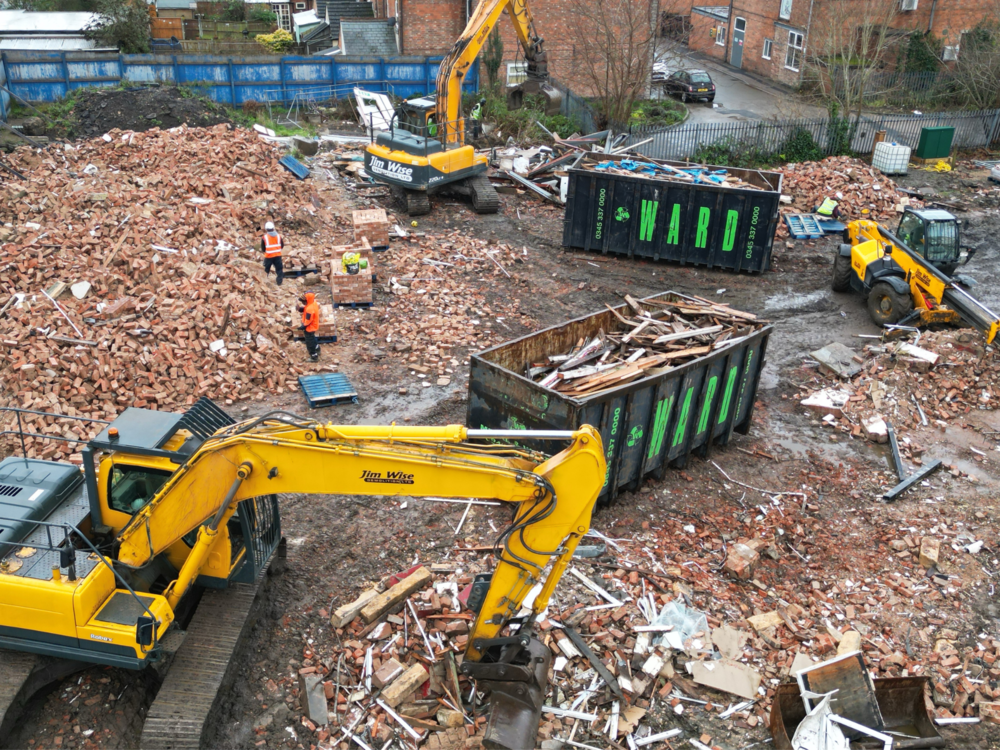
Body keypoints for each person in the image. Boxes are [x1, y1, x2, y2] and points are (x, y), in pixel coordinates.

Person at [298, 293, 321, 361]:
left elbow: (308, 321)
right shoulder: (313, 303)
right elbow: (306, 308)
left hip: (310, 328)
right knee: (312, 337)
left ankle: (314, 356)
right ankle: (317, 348)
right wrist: (300, 309)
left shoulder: (309, 309)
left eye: (303, 302)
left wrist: (303, 326)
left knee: (309, 341)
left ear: (307, 300)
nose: (303, 303)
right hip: (314, 326)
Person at [261, 221, 284, 286]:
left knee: (266, 269)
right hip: (277, 255)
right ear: (273, 228)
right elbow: (282, 245)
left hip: (268, 256)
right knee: (279, 269)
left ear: (266, 229)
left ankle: (265, 282)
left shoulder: (264, 237)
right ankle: (279, 282)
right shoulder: (279, 236)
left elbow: (263, 248)